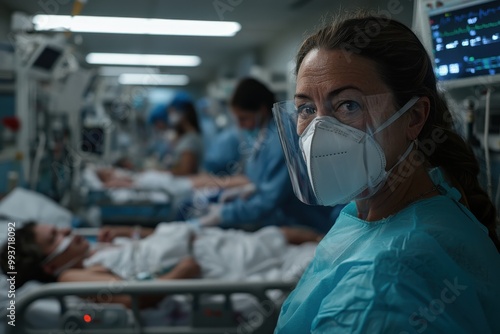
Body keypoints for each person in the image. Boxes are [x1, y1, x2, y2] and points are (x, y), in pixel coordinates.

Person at [272, 11, 500, 333]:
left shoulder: (387, 282)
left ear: (414, 117)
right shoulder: (377, 208)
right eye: (307, 109)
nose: (320, 132)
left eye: (348, 105)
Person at [0, 221, 322, 309]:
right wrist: (180, 273)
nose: (66, 230)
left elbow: (143, 252)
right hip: (210, 265)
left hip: (209, 243)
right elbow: (129, 297)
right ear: (46, 265)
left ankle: (360, 239)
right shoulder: (68, 276)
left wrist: (124, 237)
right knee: (311, 259)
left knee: (290, 235)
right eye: (54, 236)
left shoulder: (90, 254)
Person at [189, 78, 336, 234]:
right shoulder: (263, 136)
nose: (239, 126)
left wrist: (224, 214)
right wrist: (250, 189)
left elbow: (269, 199)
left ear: (262, 110)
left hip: (307, 224)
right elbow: (265, 183)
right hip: (284, 220)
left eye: (244, 118)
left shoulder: (281, 139)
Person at [164, 93, 204, 175]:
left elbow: (185, 171)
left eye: (173, 111)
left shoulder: (191, 139)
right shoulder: (185, 137)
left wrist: (160, 173)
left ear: (184, 113)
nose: (171, 116)